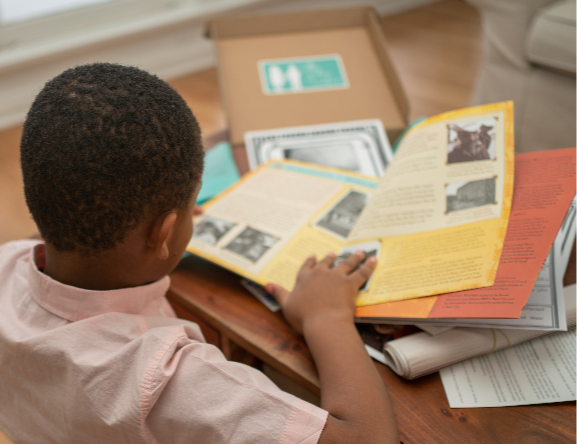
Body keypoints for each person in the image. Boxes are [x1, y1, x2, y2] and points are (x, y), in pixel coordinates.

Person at [0, 63, 399, 444]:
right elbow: (369, 439)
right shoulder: (171, 383)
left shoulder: (7, 262)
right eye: (190, 209)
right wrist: (325, 317)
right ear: (164, 233)